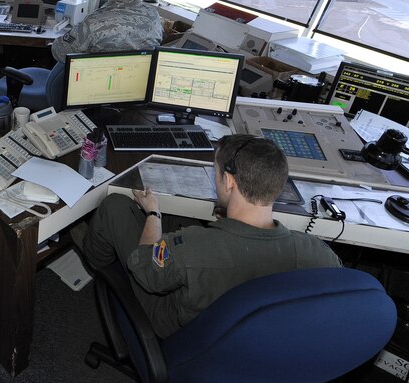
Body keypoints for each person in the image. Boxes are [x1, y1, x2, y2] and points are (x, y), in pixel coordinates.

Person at [81, 134, 341, 338]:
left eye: (215, 173)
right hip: (254, 341)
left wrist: (153, 214)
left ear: (228, 181)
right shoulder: (319, 254)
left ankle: (96, 260)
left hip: (182, 333)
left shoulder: (193, 248)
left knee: (115, 205)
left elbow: (147, 270)